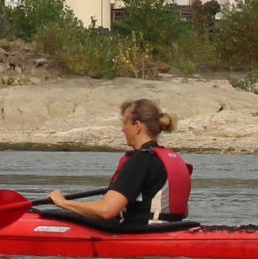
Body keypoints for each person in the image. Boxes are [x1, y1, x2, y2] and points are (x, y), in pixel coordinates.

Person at [45, 98, 187, 230]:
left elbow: (106, 210)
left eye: (125, 123)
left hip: (141, 234)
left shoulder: (141, 160)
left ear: (138, 126)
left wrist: (63, 203)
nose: (123, 129)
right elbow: (183, 211)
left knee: (58, 215)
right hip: (170, 230)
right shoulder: (169, 158)